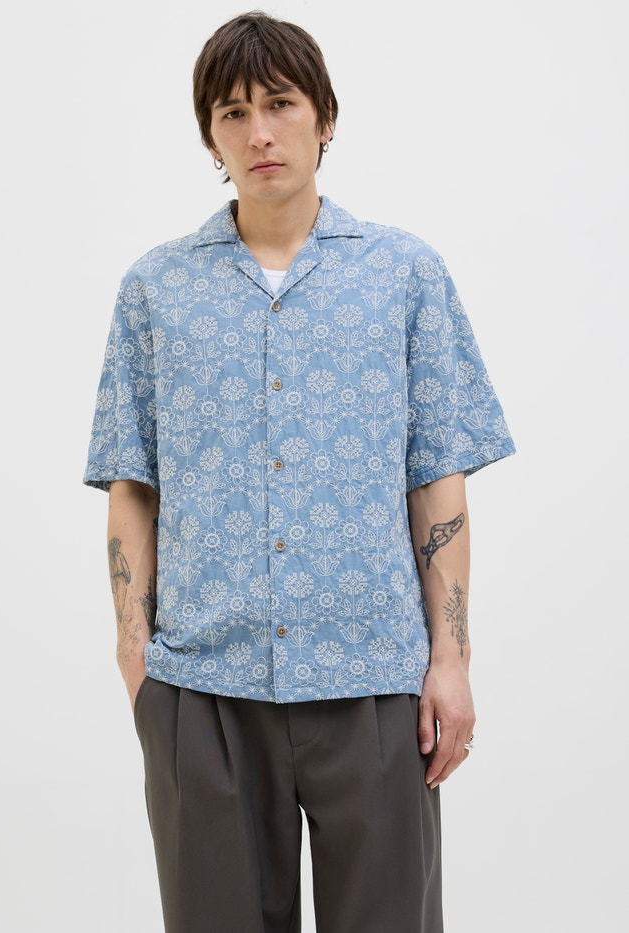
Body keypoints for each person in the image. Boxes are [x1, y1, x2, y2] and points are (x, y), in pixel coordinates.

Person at [83, 11, 515, 933]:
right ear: (210, 137)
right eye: (233, 113)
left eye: (280, 104)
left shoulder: (405, 275)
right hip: (204, 687)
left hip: (374, 681)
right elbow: (132, 485)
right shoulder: (155, 289)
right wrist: (136, 658)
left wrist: (451, 659)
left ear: (325, 117)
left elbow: (436, 479)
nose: (260, 134)